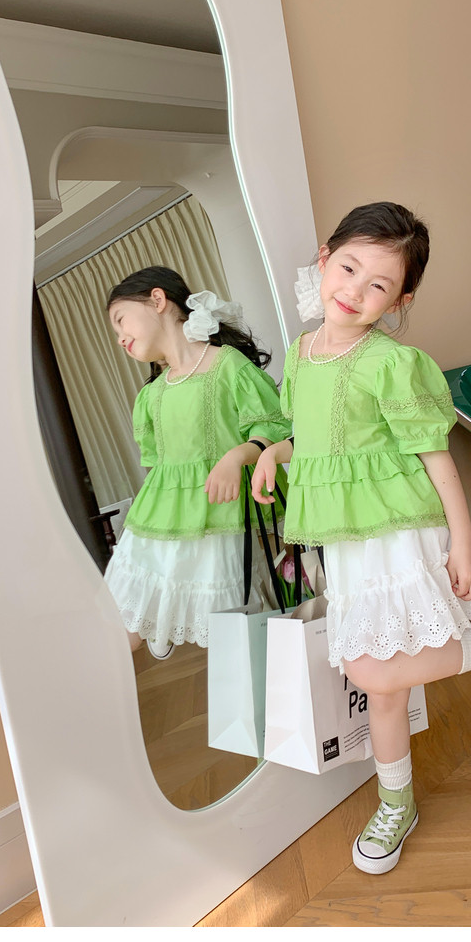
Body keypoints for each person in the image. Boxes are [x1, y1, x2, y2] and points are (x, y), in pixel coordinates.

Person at [252, 201, 471, 874]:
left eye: (378, 284)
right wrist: (273, 453)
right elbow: (313, 439)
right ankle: (395, 803)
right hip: (345, 541)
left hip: (398, 531)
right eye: (348, 268)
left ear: (399, 300)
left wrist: (462, 540)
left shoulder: (392, 363)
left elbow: (436, 456)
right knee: (384, 689)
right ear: (324, 259)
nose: (354, 290)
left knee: (369, 667)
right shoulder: (302, 355)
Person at [104, 266, 292, 660]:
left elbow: (273, 426)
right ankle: (160, 619)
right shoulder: (151, 396)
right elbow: (156, 465)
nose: (119, 337)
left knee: (231, 639)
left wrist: (237, 455)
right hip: (157, 521)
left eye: (121, 320)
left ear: (158, 300)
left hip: (220, 517)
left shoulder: (228, 365)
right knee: (117, 627)